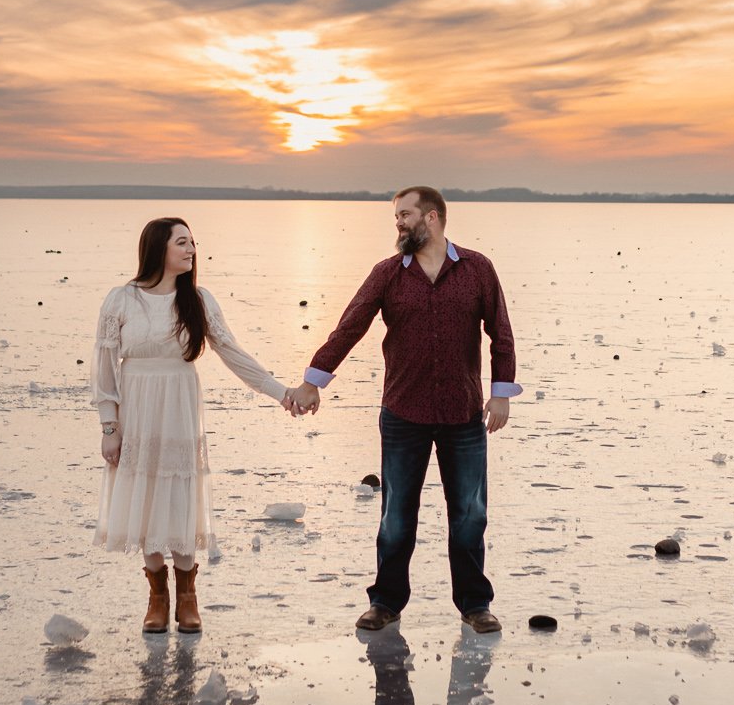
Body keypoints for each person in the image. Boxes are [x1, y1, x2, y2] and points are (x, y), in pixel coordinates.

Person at [290, 186, 520, 634]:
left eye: (405, 215)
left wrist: (501, 393)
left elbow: (501, 333)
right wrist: (313, 380)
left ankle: (475, 604)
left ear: (432, 218)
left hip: (463, 414)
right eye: (397, 216)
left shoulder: (477, 269)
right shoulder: (388, 273)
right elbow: (350, 325)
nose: (398, 222)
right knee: (396, 515)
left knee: (470, 513)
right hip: (403, 414)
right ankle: (386, 602)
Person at [91, 217, 305, 633]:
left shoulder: (199, 301)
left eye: (193, 243)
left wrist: (282, 392)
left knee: (177, 497)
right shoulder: (121, 300)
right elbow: (104, 369)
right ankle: (157, 595)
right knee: (144, 495)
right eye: (182, 243)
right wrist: (109, 425)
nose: (191, 250)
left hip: (179, 408)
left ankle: (187, 594)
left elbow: (232, 353)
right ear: (158, 248)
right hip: (136, 409)